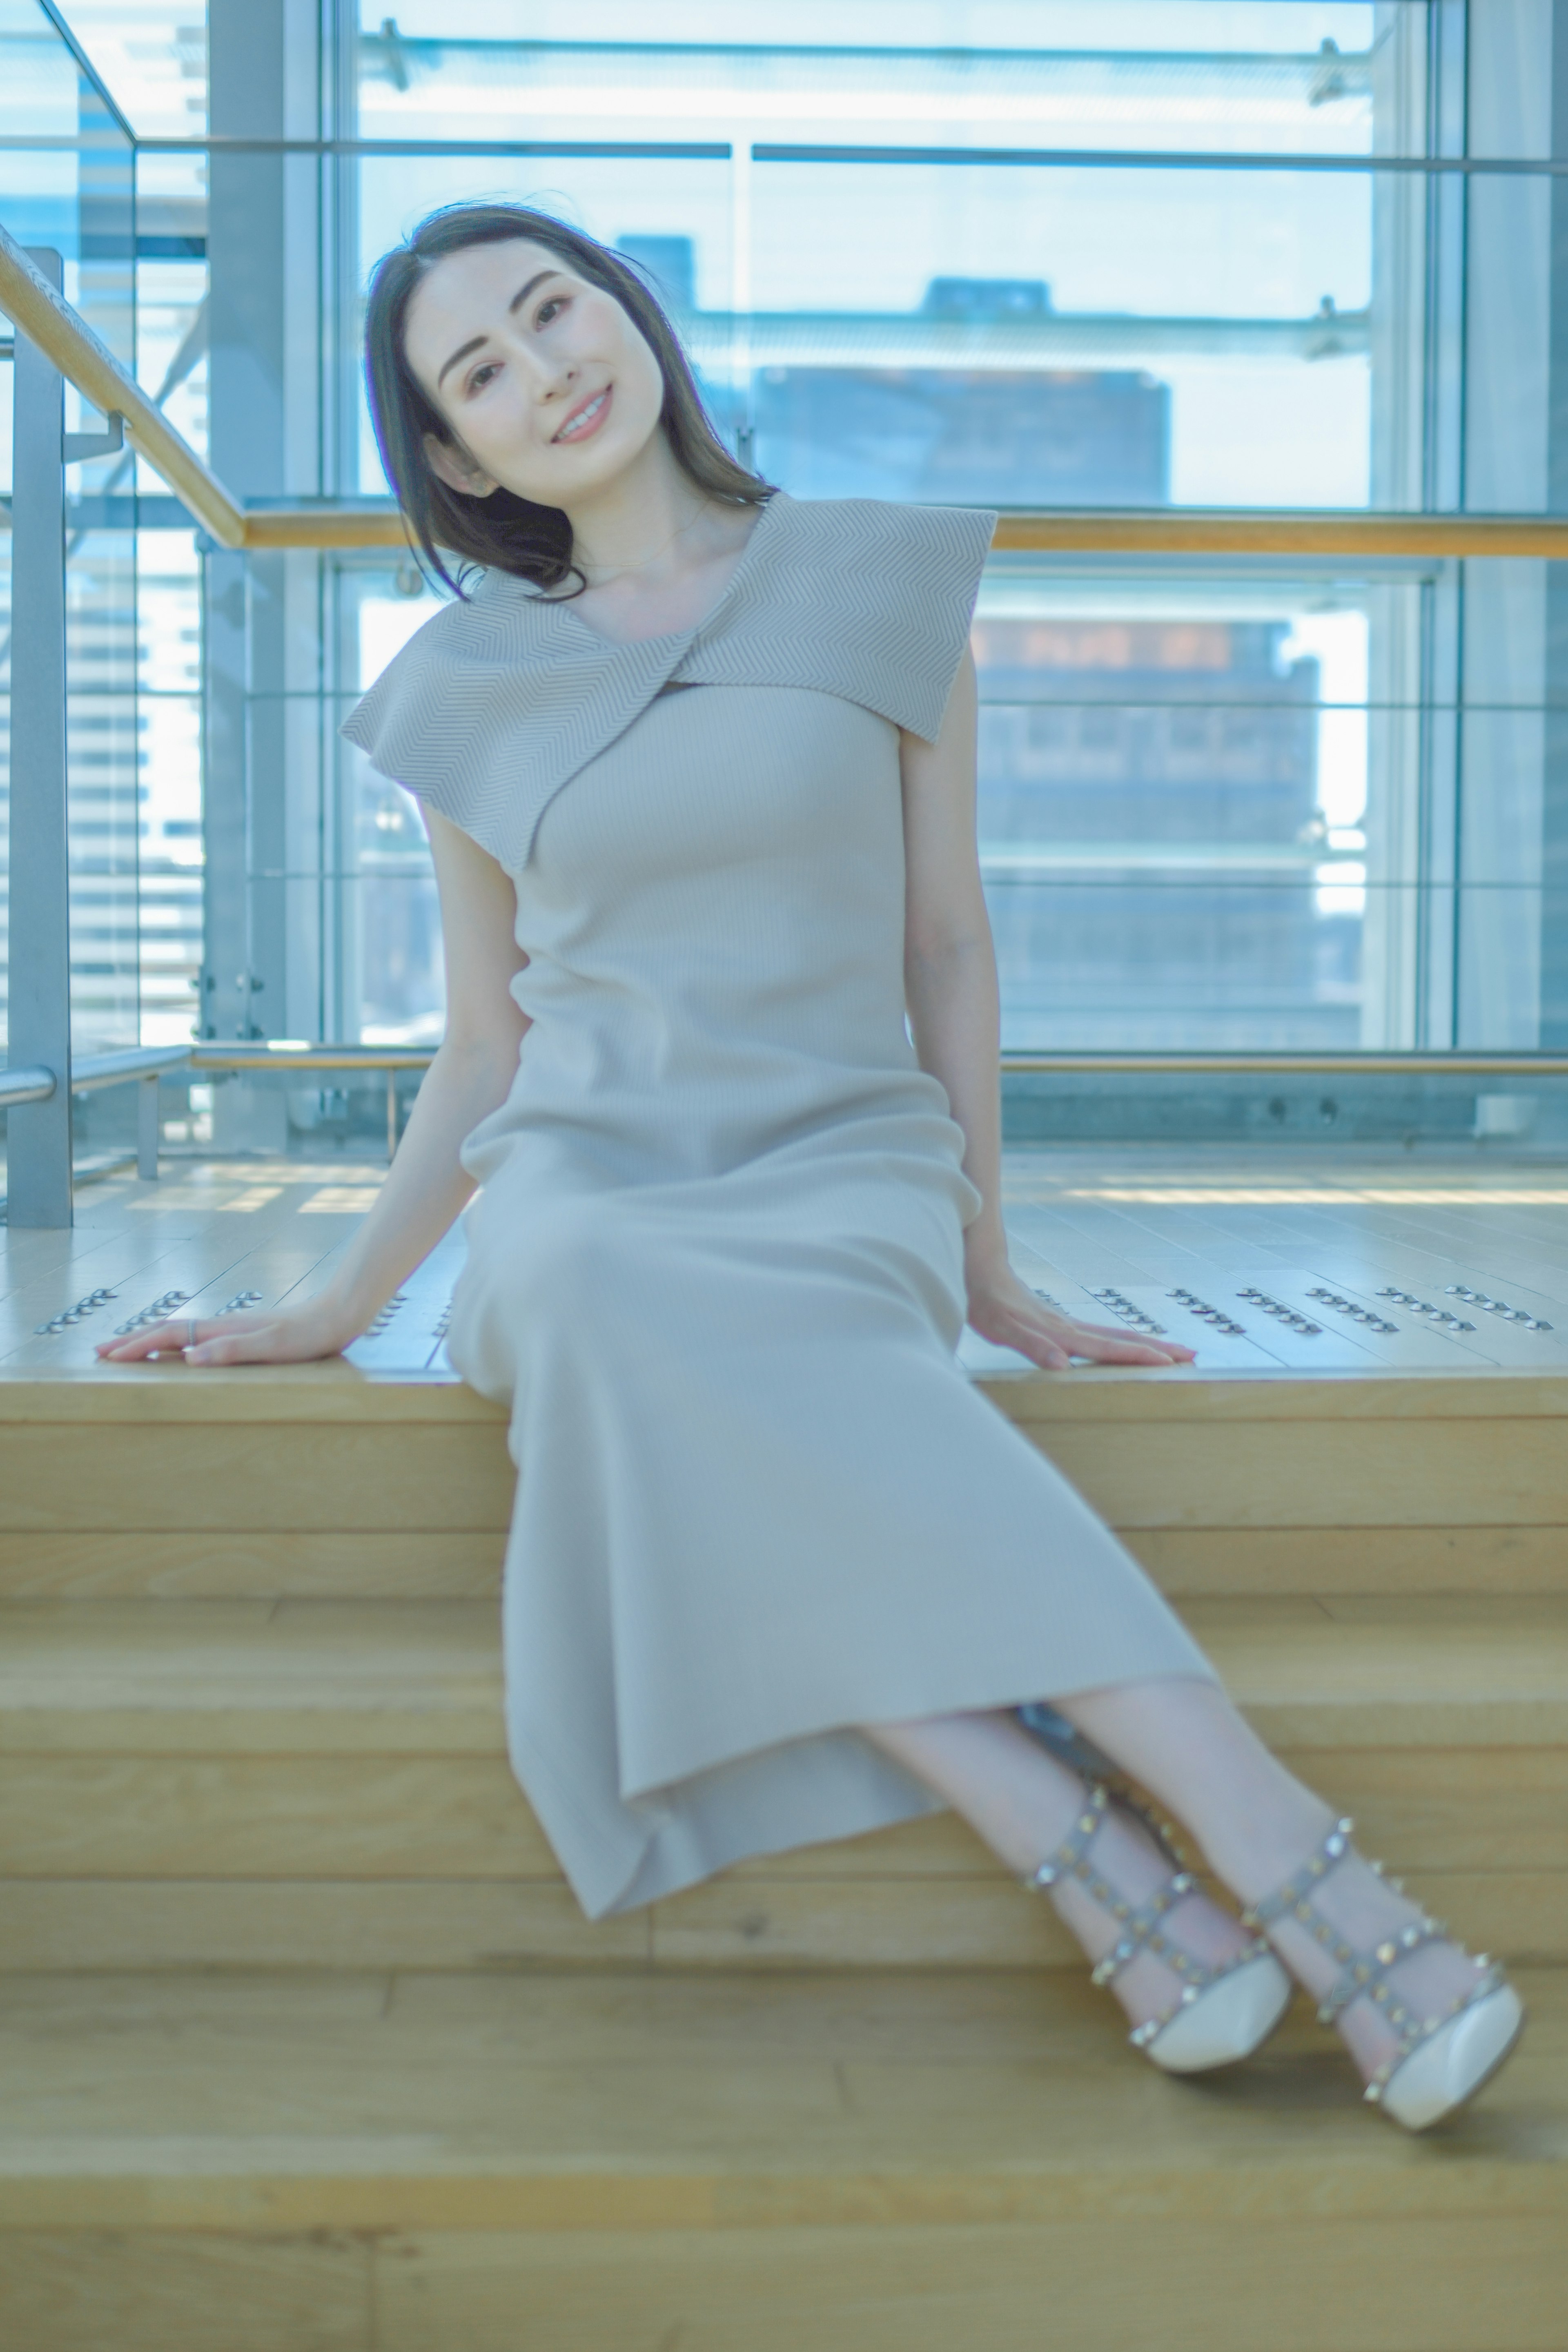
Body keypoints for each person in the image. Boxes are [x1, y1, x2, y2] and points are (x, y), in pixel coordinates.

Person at [99, 201, 1520, 2131]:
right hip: (587, 1192)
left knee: (731, 1400)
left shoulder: (877, 577)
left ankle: (1153, 1885)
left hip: (836, 1163)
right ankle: (1241, 1863)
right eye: (484, 373)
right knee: (598, 1297)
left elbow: (947, 945)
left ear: (630, 314)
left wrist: (987, 1252)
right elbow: (488, 1045)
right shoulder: (461, 686)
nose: (546, 371)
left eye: (554, 311)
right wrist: (339, 1299)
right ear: (460, 457)